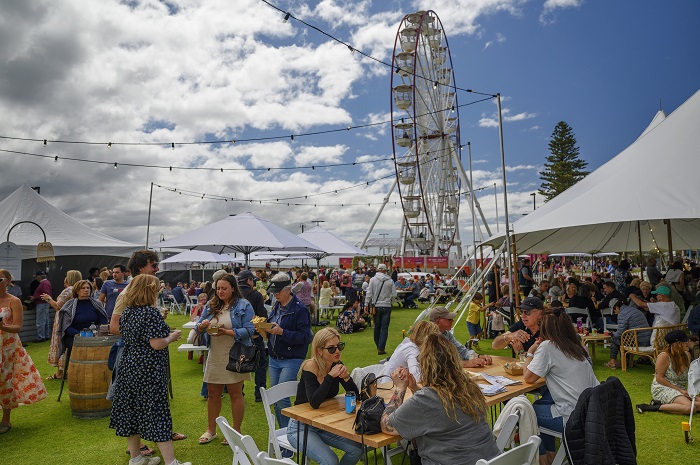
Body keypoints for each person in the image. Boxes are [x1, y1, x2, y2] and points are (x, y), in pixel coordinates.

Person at [380, 333, 500, 465]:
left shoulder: (428, 399)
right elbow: (439, 406)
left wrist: (400, 388)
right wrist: (414, 387)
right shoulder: (469, 388)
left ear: (426, 366)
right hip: (492, 460)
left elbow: (387, 425)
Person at [109, 274, 188, 465]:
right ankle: (171, 462)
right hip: (148, 370)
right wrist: (172, 337)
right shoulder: (150, 313)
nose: (158, 291)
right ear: (149, 290)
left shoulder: (128, 312)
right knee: (157, 413)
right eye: (156, 288)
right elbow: (157, 344)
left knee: (133, 411)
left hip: (128, 367)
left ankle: (136, 458)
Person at [523, 307, 599, 465]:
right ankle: (550, 454)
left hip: (573, 418)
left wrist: (530, 352)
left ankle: (544, 458)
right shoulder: (575, 345)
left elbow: (528, 378)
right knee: (540, 403)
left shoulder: (548, 347)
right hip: (592, 413)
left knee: (528, 412)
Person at [286, 327, 363, 465]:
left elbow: (356, 396)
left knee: (357, 449)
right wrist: (330, 376)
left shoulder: (336, 364)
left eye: (339, 346)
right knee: (331, 461)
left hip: (323, 424)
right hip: (300, 427)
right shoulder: (310, 366)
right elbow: (314, 402)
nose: (337, 351)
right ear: (319, 350)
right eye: (332, 348)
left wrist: (346, 378)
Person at [194, 274, 255, 442]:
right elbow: (197, 326)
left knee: (235, 393)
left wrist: (226, 332)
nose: (220, 291)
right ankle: (211, 430)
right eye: (218, 288)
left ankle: (235, 431)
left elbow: (250, 329)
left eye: (224, 288)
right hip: (215, 353)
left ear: (233, 288)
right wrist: (201, 326)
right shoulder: (211, 304)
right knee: (213, 393)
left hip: (236, 352)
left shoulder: (244, 305)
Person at [0, 269, 48, 434]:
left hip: (7, 345)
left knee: (6, 380)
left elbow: (18, 327)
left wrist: (3, 326)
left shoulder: (13, 301)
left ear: (7, 282)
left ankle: (5, 419)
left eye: (0, 280)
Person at [266, 272, 313, 430]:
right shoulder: (277, 305)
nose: (275, 294)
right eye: (274, 291)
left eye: (278, 291)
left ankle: (289, 435)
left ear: (288, 290)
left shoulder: (299, 309)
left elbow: (305, 336)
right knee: (275, 397)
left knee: (282, 398)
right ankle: (283, 432)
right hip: (274, 357)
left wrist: (282, 332)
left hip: (291, 358)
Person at [637, 330, 696, 415]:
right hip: (663, 388)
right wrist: (680, 390)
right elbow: (659, 378)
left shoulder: (687, 355)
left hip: (680, 389)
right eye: (685, 341)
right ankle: (652, 407)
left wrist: (686, 390)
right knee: (690, 408)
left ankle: (665, 404)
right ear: (677, 344)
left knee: (695, 405)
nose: (688, 343)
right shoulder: (664, 356)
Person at [237, 270, 269, 403]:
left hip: (238, 335)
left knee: (239, 364)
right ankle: (259, 393)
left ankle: (238, 392)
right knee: (261, 363)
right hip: (254, 335)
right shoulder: (256, 295)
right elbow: (261, 316)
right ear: (249, 281)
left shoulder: (234, 295)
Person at [44, 269, 82, 380]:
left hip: (63, 319)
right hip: (73, 319)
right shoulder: (79, 289)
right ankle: (68, 370)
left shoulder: (68, 290)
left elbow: (58, 306)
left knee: (61, 343)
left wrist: (48, 299)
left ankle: (60, 372)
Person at [57, 280, 109, 356]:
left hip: (94, 334)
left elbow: (103, 320)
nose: (86, 290)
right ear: (77, 291)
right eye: (83, 288)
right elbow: (66, 325)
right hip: (75, 335)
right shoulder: (69, 305)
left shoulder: (96, 304)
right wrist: (80, 334)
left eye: (88, 288)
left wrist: (95, 331)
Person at [604, 297, 651, 369]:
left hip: (638, 341)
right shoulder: (633, 310)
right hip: (646, 339)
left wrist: (612, 334)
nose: (615, 313)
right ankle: (626, 361)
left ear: (616, 307)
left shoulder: (622, 314)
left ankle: (612, 362)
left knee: (615, 339)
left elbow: (620, 333)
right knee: (624, 338)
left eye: (614, 311)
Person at [364, 263, 397, 355]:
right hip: (386, 306)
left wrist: (366, 304)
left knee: (377, 327)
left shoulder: (373, 280)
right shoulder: (390, 281)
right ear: (385, 270)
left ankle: (379, 345)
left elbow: (369, 293)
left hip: (376, 306)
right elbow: (394, 294)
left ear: (378, 270)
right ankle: (381, 347)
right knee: (384, 328)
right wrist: (389, 299)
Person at [32, 270, 52, 341]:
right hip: (45, 303)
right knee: (46, 320)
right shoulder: (46, 282)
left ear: (39, 277)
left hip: (42, 303)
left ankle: (40, 337)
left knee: (40, 321)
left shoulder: (43, 283)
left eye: (37, 277)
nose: (36, 278)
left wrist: (35, 297)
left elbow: (45, 294)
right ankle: (46, 335)